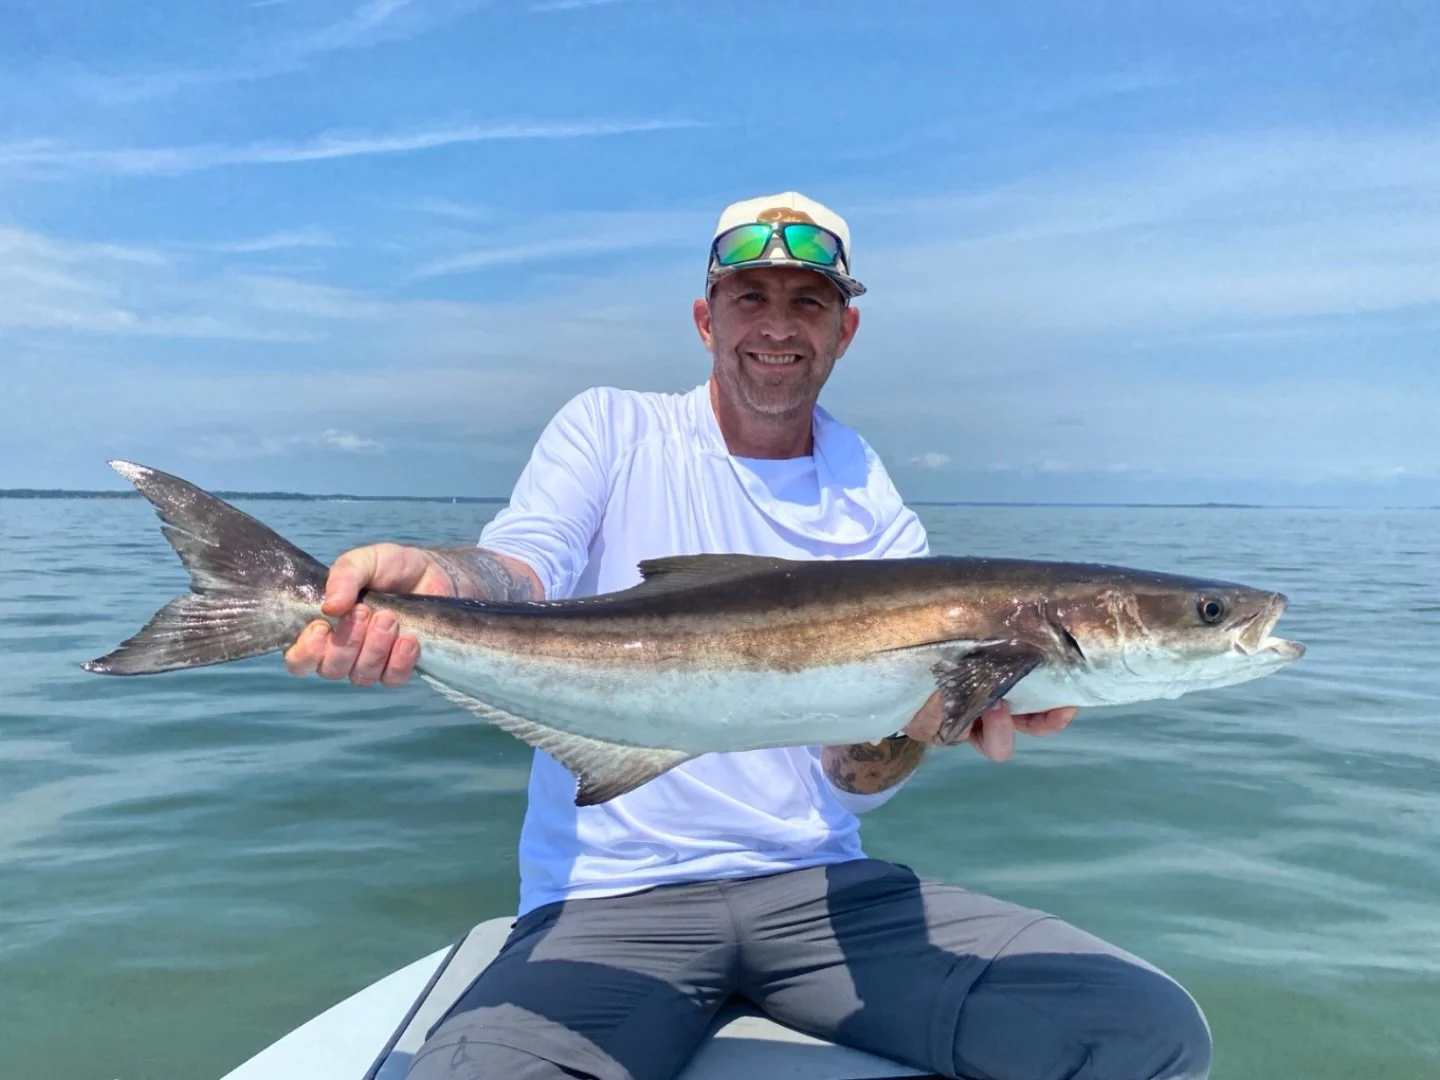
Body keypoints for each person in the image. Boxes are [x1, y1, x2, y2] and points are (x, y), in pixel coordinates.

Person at [284, 192, 1213, 1080]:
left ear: (843, 331)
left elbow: (857, 778)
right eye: (750, 298)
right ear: (706, 318)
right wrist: (438, 584)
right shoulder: (612, 428)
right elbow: (524, 569)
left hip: (822, 897)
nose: (778, 325)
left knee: (1144, 1033)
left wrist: (920, 727)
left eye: (808, 302)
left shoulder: (872, 504)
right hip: (614, 900)